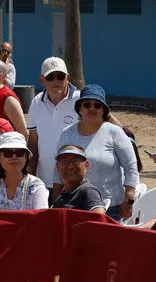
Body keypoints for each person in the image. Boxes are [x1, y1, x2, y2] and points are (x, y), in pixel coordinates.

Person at [59, 83, 140, 221]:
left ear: (103, 110)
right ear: (79, 109)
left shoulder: (114, 132)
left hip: (111, 208)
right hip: (75, 206)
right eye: (87, 104)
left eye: (97, 105)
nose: (92, 108)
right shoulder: (67, 134)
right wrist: (57, 195)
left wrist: (129, 199)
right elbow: (59, 169)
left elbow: (131, 167)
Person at [25, 57, 77, 188]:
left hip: (75, 181)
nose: (56, 81)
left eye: (60, 76)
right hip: (44, 181)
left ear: (67, 78)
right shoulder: (37, 102)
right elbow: (33, 141)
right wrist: (29, 176)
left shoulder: (81, 101)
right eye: (50, 77)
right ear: (42, 80)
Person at [0, 133, 48, 210]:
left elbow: (41, 219)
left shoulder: (36, 186)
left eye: (19, 153)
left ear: (26, 157)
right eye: (8, 153)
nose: (14, 157)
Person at [49, 145, 109, 214]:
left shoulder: (88, 191)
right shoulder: (63, 194)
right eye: (64, 161)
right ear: (57, 166)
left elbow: (99, 218)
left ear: (86, 165)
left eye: (76, 160)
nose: (70, 166)